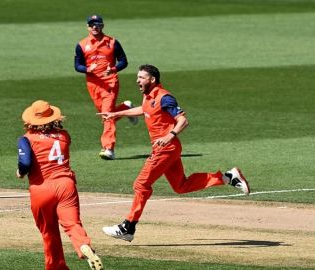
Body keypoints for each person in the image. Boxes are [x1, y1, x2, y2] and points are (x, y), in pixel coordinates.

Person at [99, 64, 251, 242]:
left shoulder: (165, 97)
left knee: (141, 185)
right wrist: (117, 114)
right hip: (167, 149)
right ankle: (227, 177)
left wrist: (169, 136)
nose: (137, 80)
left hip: (166, 148)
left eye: (141, 77)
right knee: (181, 186)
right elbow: (144, 110)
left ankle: (128, 226)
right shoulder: (148, 96)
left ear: (152, 80)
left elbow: (183, 120)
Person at [16, 100, 104, 270]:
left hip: (42, 189)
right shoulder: (65, 136)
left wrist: (20, 172)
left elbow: (25, 163)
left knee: (49, 232)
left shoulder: (26, 139)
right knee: (72, 224)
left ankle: (56, 267)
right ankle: (83, 245)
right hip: (66, 185)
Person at [75, 14, 137, 160]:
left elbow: (123, 61)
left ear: (103, 25)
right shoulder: (82, 45)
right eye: (91, 24)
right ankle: (126, 108)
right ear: (88, 27)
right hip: (93, 84)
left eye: (97, 24)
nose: (94, 27)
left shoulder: (112, 42)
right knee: (106, 115)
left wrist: (113, 69)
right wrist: (88, 69)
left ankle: (108, 148)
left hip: (110, 82)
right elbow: (77, 65)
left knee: (106, 115)